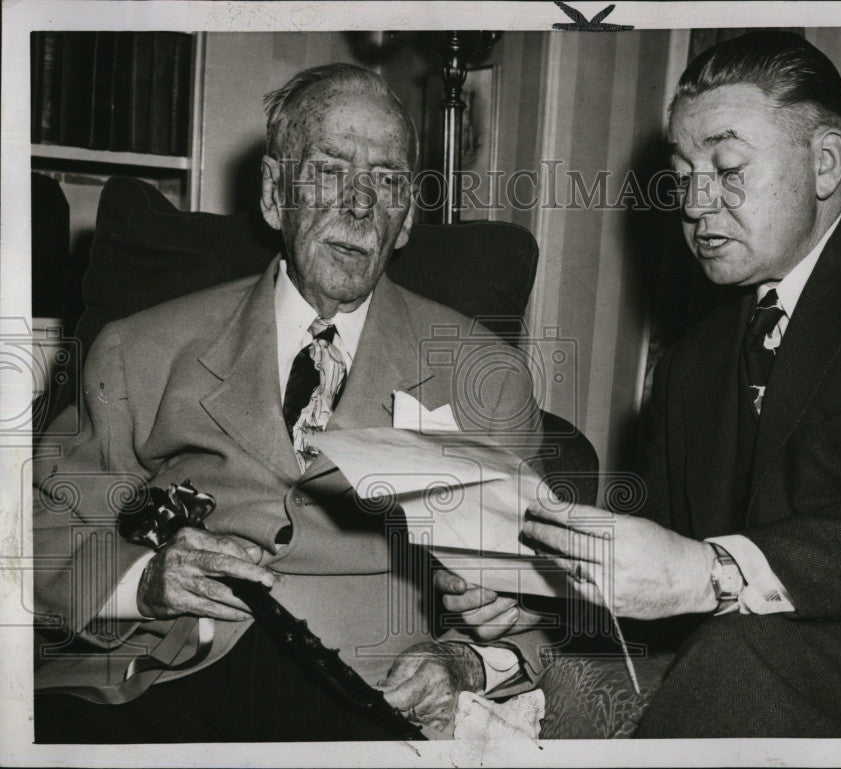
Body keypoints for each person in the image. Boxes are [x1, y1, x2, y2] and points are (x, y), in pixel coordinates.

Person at [32, 63, 544, 741]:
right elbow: (40, 540)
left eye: (387, 180)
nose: (360, 205)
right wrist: (147, 578)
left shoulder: (486, 376)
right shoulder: (140, 349)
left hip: (363, 700)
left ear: (408, 217)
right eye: (331, 170)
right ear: (276, 193)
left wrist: (460, 659)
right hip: (163, 683)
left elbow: (536, 607)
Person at [518, 31, 841, 737]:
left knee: (738, 655)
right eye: (682, 174)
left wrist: (713, 571)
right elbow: (665, 575)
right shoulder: (690, 364)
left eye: (728, 167)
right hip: (757, 660)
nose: (695, 203)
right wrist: (539, 597)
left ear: (825, 162)